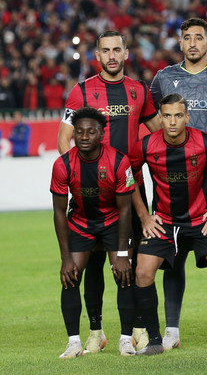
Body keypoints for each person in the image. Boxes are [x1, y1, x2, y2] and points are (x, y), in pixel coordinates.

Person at [57, 30, 160, 354]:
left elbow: (158, 134)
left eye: (117, 49)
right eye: (106, 50)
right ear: (97, 56)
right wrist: (74, 178)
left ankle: (137, 329)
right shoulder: (81, 91)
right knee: (93, 266)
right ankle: (95, 331)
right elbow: (65, 139)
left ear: (126, 53)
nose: (112, 55)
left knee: (130, 263)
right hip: (91, 192)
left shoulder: (139, 90)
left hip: (132, 190)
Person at [150, 18, 207, 349]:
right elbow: (150, 119)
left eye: (198, 38)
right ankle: (171, 330)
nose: (192, 43)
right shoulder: (163, 78)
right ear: (180, 43)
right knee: (173, 258)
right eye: (186, 38)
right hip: (174, 183)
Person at [129, 94, 207, 355]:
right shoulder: (145, 145)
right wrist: (144, 215)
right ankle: (154, 341)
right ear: (160, 118)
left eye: (178, 115)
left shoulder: (206, 142)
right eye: (167, 116)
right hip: (163, 223)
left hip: (201, 221)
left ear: (187, 117)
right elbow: (126, 176)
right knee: (142, 273)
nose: (172, 121)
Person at [51, 107, 135, 358]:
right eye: (79, 132)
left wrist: (121, 253)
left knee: (125, 274)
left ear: (101, 133)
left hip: (112, 222)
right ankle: (74, 342)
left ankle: (126, 340)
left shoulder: (119, 161)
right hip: (80, 224)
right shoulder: (62, 164)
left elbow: (125, 210)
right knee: (70, 277)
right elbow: (58, 212)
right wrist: (65, 259)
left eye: (90, 132)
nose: (84, 136)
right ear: (73, 134)